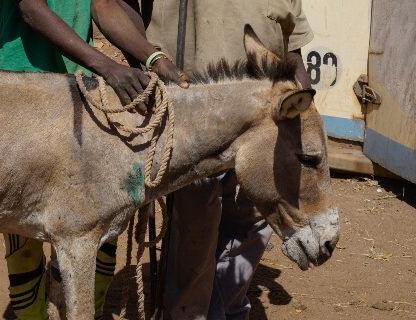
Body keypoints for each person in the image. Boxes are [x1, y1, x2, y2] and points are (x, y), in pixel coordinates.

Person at [0, 1, 188, 319]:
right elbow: (31, 9)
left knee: (98, 222)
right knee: (23, 229)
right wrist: (107, 67)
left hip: (75, 91)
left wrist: (152, 58)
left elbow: (104, 5)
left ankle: (75, 309)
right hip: (16, 94)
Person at [118, 1, 313, 319]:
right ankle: (187, 312)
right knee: (196, 223)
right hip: (198, 114)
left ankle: (226, 309)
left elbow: (290, 42)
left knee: (253, 221)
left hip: (266, 121)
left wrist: (305, 112)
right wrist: (147, 58)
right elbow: (117, 7)